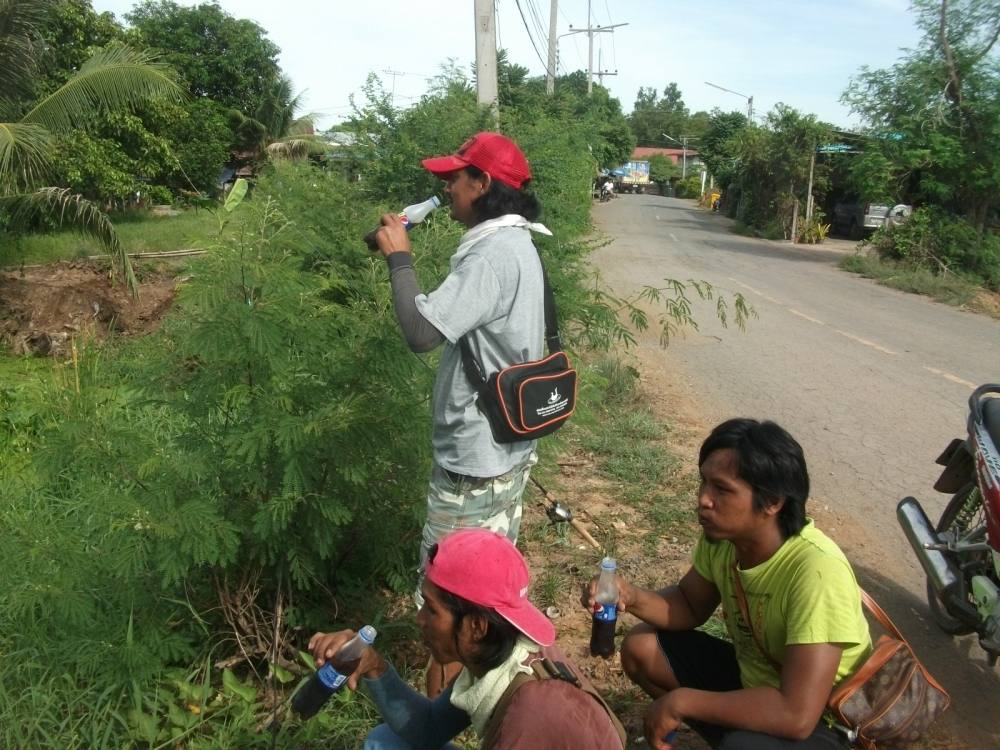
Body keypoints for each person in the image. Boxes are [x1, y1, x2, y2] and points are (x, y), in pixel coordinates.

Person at [371, 132, 549, 695]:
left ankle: (435, 719)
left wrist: (400, 257)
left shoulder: (494, 254)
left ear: (484, 184)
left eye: (455, 177)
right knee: (487, 595)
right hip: (504, 450)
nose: (446, 188)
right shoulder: (517, 243)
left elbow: (422, 332)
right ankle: (482, 703)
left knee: (448, 606)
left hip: (474, 462)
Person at [584, 418, 872, 750]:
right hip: (757, 683)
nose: (703, 500)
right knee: (641, 648)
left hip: (826, 719)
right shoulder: (724, 541)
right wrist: (628, 595)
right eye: (703, 482)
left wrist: (683, 701)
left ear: (772, 502)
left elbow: (796, 714)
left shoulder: (816, 571)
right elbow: (689, 605)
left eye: (722, 489)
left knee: (743, 746)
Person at [308, 529, 625, 749]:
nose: (420, 620)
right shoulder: (503, 653)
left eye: (431, 610)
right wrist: (373, 666)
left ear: (476, 626)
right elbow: (429, 730)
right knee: (385, 743)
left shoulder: (528, 715)